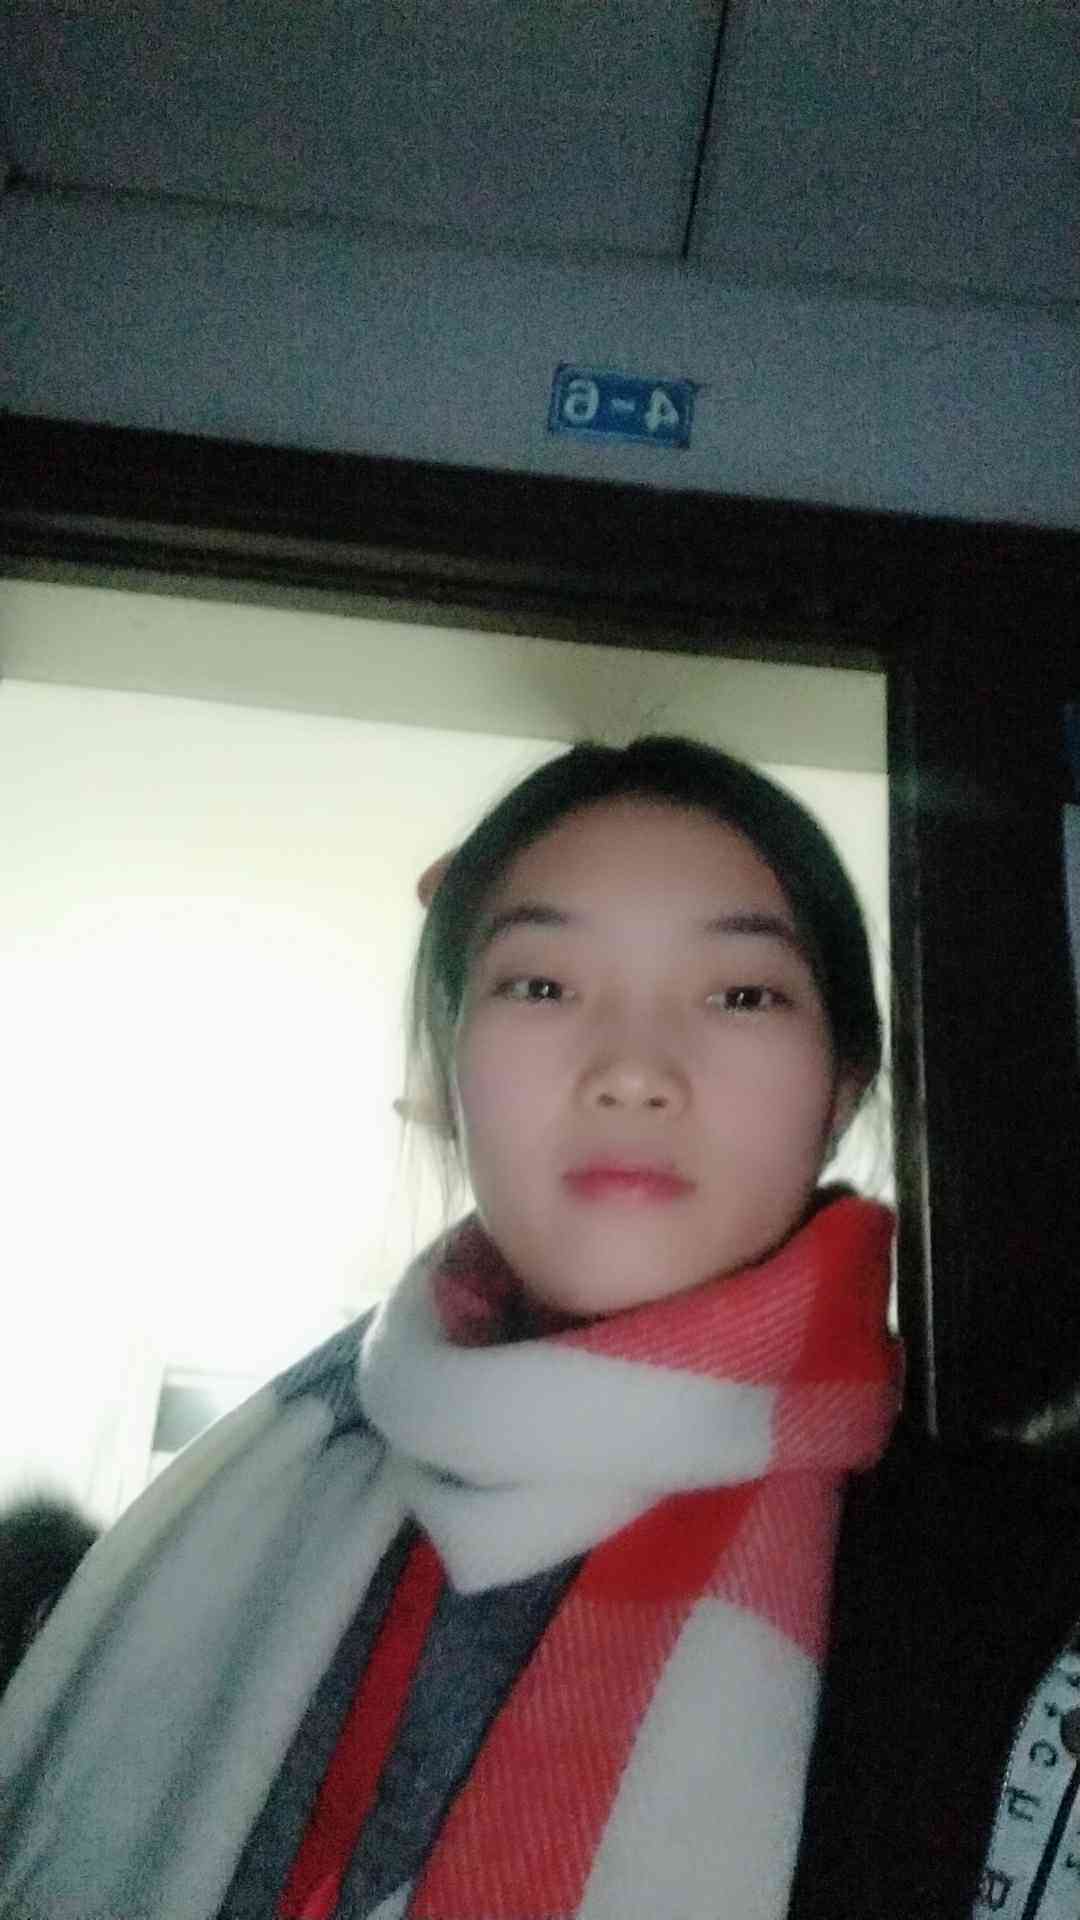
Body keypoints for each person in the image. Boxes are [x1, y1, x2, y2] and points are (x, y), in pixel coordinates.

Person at [0, 734, 901, 1920]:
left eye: (741, 993)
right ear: (450, 1068)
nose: (634, 1071)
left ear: (842, 1089)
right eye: (542, 985)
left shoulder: (980, 1597)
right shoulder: (267, 1486)